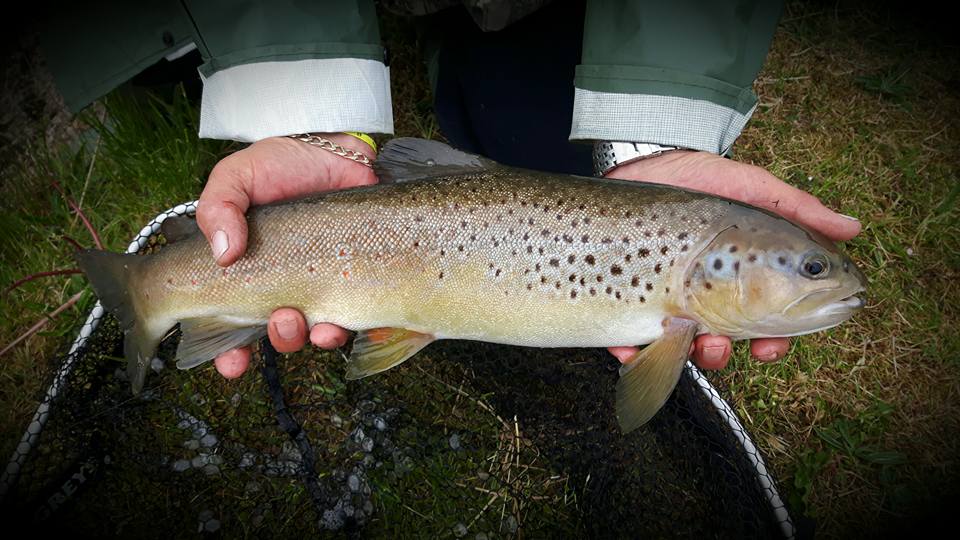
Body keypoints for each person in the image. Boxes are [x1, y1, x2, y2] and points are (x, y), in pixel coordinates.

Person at [40, 0, 860, 380]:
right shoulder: (692, 286)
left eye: (807, 269)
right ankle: (153, 283)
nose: (824, 281)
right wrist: (309, 107)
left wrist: (657, 130)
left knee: (524, 127)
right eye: (813, 272)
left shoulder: (691, 271)